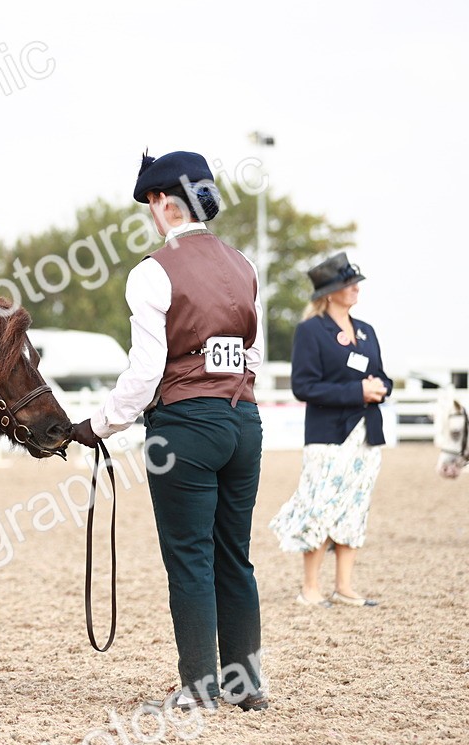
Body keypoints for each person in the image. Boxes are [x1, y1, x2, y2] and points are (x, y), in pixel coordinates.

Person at [69, 150, 268, 712]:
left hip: (185, 426)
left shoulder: (152, 271)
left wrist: (99, 425)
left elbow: (145, 372)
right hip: (243, 422)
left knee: (189, 557)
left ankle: (201, 685)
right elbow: (249, 353)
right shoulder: (244, 265)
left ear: (162, 202)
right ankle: (246, 684)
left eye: (150, 203)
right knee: (236, 555)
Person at [269, 254, 390, 608]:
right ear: (330, 292)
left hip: (366, 433)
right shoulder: (311, 331)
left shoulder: (366, 330)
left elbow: (382, 375)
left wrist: (381, 387)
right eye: (348, 284)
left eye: (356, 283)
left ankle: (345, 586)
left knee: (355, 506)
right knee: (319, 507)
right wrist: (357, 392)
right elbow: (303, 386)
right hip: (328, 435)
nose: (355, 288)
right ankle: (310, 588)